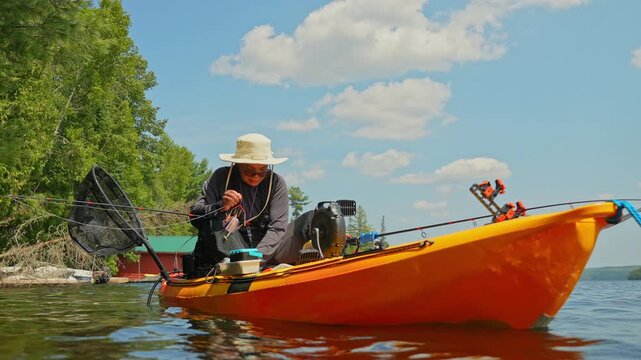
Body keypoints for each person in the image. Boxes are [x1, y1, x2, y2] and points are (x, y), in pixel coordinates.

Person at [189, 133, 303, 271]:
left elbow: (277, 228)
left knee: (310, 220)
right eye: (249, 170)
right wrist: (220, 206)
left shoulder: (277, 183)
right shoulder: (220, 177)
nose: (256, 177)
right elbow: (195, 216)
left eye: (262, 171)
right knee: (215, 220)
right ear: (237, 165)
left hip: (267, 251)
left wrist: (254, 259)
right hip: (229, 249)